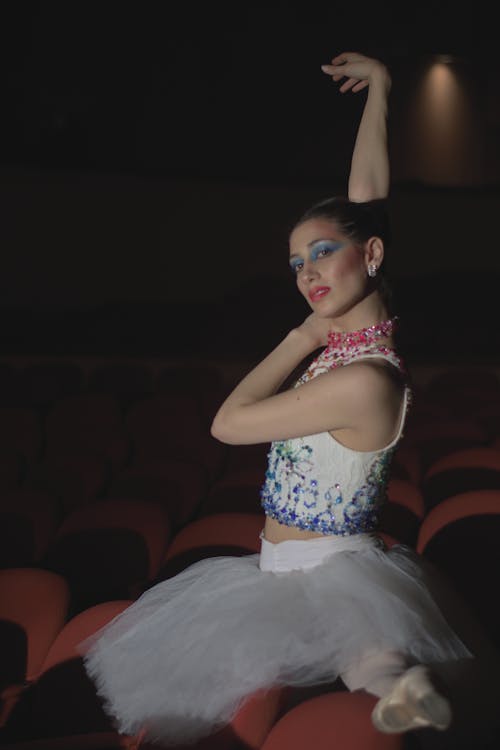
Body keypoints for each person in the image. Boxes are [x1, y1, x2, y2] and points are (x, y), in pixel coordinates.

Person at [79, 52, 474, 745]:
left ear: (372, 255)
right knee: (363, 657)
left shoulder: (360, 375)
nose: (307, 273)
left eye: (322, 253)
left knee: (352, 659)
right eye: (296, 264)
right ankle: (395, 684)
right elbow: (367, 200)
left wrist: (299, 336)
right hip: (290, 570)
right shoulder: (356, 351)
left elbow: (228, 423)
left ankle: (397, 686)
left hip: (324, 572)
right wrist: (380, 92)